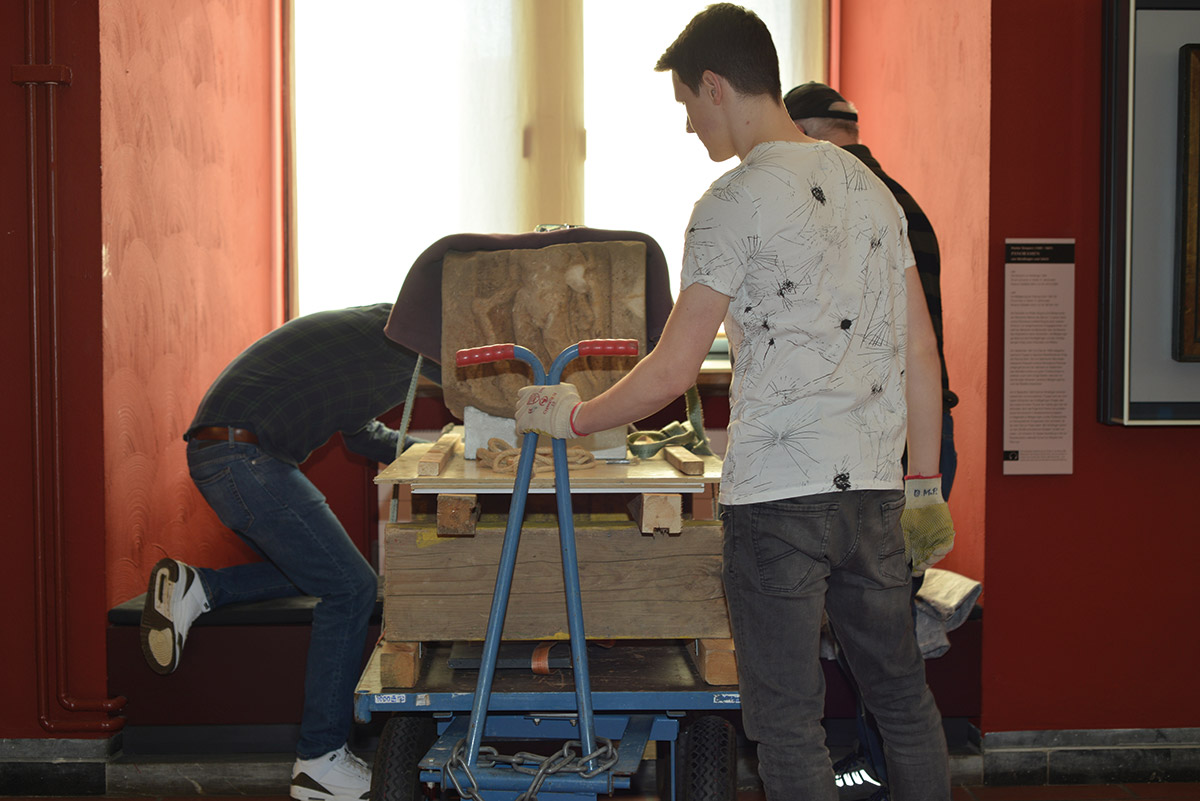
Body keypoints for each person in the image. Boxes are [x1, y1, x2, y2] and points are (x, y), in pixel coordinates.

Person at [513, 5, 954, 800]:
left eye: (686, 103)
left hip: (779, 501)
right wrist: (922, 482)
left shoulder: (730, 201)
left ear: (715, 85)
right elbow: (921, 353)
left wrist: (571, 416)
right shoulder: (874, 192)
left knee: (787, 721)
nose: (688, 126)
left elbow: (672, 368)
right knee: (902, 699)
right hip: (877, 495)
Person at [139, 303, 439, 801]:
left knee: (337, 574)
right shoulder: (399, 332)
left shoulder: (370, 342)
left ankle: (204, 587)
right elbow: (476, 380)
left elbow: (364, 434)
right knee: (351, 587)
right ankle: (320, 762)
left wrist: (432, 456)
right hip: (245, 458)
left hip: (233, 455)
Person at [784, 81, 959, 799]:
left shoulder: (852, 206)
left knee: (883, 643)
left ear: (814, 136)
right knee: (886, 636)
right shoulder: (900, 200)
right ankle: (879, 767)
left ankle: (877, 771)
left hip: (883, 443)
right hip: (916, 437)